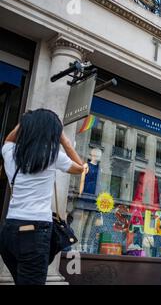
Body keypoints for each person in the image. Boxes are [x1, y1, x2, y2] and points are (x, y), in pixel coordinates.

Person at [0, 109, 85, 285]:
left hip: (9, 230)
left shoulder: (11, 152)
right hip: (34, 232)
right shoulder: (52, 155)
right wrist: (64, 140)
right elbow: (80, 168)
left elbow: (8, 139)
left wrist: (25, 122)